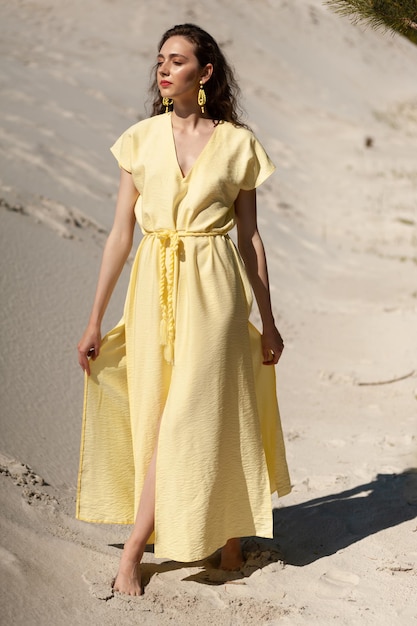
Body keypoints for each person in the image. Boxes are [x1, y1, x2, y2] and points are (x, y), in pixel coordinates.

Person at [76, 23, 291, 596]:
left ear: (206, 71)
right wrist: (97, 318)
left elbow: (250, 240)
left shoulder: (239, 144)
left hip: (215, 290)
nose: (163, 69)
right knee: (159, 412)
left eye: (177, 60)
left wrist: (267, 319)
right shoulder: (138, 140)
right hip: (152, 286)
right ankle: (226, 538)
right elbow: (119, 236)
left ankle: (131, 554)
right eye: (159, 61)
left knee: (190, 416)